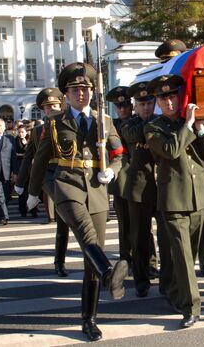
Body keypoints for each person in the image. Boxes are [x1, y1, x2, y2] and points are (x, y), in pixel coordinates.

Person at [26, 62, 128, 342]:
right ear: (66, 93)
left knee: (89, 257)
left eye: (86, 89)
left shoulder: (103, 121)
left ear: (93, 92)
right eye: (75, 89)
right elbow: (40, 159)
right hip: (66, 186)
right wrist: (33, 192)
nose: (81, 94)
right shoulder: (55, 123)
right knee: (85, 234)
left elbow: (119, 154)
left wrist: (113, 170)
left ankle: (89, 319)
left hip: (96, 191)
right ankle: (109, 273)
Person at [144, 74, 204, 328]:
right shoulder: (153, 127)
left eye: (172, 96)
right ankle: (191, 307)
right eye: (163, 98)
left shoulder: (194, 123)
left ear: (180, 96)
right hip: (174, 201)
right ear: (157, 102)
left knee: (188, 256)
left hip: (201, 199)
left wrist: (200, 130)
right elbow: (171, 151)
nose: (169, 102)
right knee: (185, 258)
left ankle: (173, 289)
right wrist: (187, 126)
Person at [121, 81, 172, 298]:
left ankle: (166, 281)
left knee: (166, 238)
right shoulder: (128, 124)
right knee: (139, 237)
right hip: (138, 188)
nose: (146, 108)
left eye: (150, 103)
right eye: (141, 104)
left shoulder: (162, 122)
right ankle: (142, 280)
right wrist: (151, 124)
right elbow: (133, 136)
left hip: (161, 187)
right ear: (135, 105)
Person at [15, 87, 70, 277]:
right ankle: (59, 262)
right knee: (63, 220)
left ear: (61, 106)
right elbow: (31, 158)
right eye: (47, 107)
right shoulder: (38, 131)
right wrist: (22, 184)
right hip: (50, 176)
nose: (51, 109)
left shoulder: (70, 124)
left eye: (54, 105)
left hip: (70, 176)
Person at [105, 86, 134, 269]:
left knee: (142, 226)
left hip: (139, 180)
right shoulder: (111, 126)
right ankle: (126, 258)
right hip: (120, 182)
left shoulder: (139, 123)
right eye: (119, 106)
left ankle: (147, 260)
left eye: (125, 106)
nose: (122, 109)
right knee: (124, 224)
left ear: (131, 106)